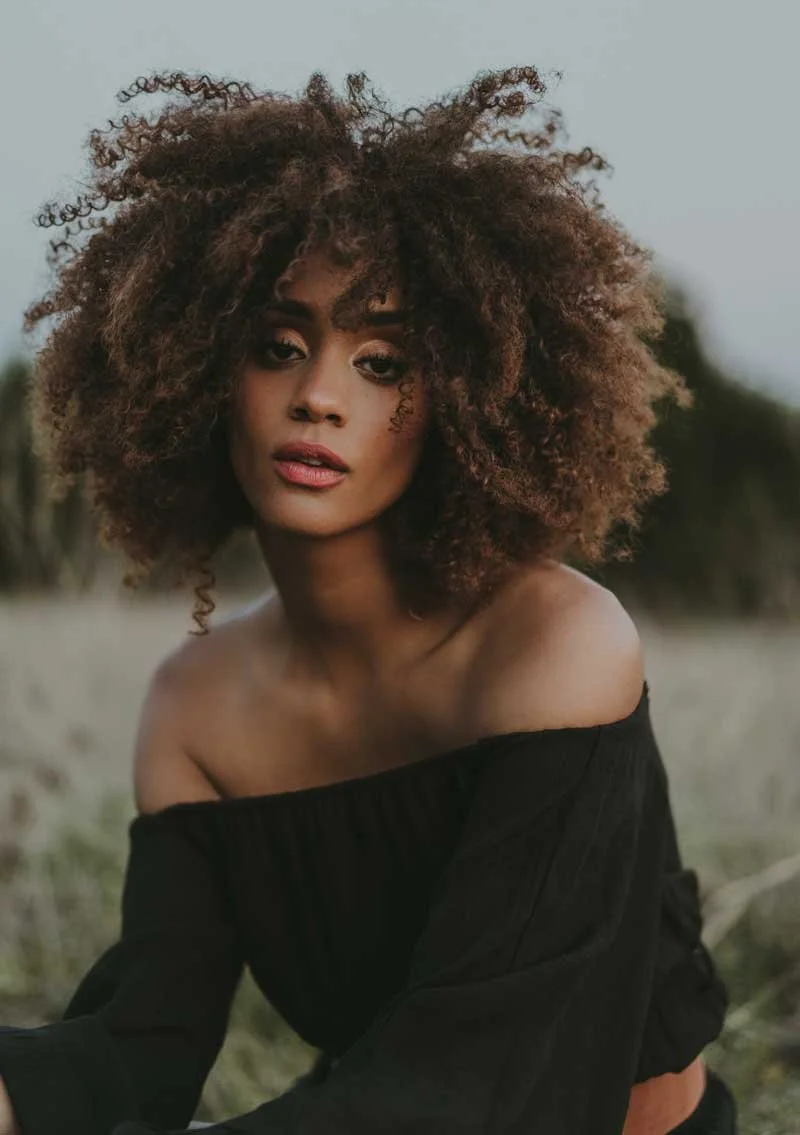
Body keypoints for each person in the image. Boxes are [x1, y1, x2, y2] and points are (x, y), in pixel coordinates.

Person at [0, 66, 737, 1134]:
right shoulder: (196, 706)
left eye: (383, 360)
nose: (318, 395)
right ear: (200, 367)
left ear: (465, 395)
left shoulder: (554, 644)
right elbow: (142, 1041)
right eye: (276, 345)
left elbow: (476, 1085)